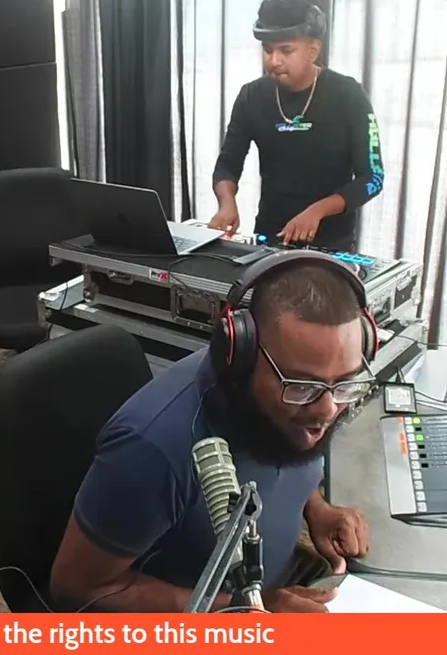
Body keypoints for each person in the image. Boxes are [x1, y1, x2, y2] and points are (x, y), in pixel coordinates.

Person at [48, 253, 374, 613]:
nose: (328, 410)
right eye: (301, 386)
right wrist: (246, 612)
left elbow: (285, 456)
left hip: (270, 590)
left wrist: (317, 508)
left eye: (345, 383)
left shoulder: (291, 413)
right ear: (242, 357)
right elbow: (76, 587)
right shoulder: (153, 448)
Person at [208, 0, 386, 252]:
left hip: (332, 244)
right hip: (269, 239)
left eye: (286, 50)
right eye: (268, 50)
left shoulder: (347, 95)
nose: (274, 61)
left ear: (313, 50)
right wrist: (226, 204)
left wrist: (318, 211)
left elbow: (373, 178)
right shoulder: (251, 96)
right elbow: (227, 165)